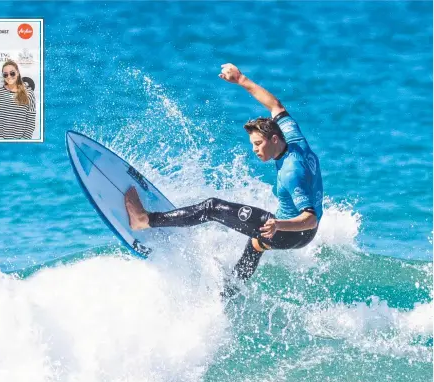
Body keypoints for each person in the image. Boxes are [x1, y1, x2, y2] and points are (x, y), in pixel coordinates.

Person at [124, 63, 324, 294]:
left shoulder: (292, 172)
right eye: (252, 145)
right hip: (298, 233)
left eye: (258, 144)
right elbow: (275, 105)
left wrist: (278, 224)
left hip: (293, 231)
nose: (255, 150)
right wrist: (240, 79)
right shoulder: (294, 139)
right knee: (256, 244)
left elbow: (310, 218)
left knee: (212, 207)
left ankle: (144, 220)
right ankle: (229, 292)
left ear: (275, 139)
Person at [0, 60, 36, 139]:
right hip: (0, 139)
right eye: (5, 74)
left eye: (12, 73)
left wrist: (24, 140)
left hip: (19, 141)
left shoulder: (29, 93)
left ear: (18, 73)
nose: (9, 76)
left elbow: (31, 120)